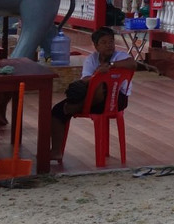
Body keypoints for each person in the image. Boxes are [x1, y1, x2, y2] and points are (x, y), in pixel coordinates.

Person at [50, 26, 136, 161]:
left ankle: (78, 107)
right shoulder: (91, 59)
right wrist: (97, 74)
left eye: (111, 42)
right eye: (104, 42)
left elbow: (132, 63)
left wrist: (111, 65)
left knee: (101, 86)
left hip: (116, 99)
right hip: (93, 99)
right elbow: (85, 79)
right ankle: (56, 151)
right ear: (96, 46)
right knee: (57, 109)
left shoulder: (120, 56)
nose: (109, 45)